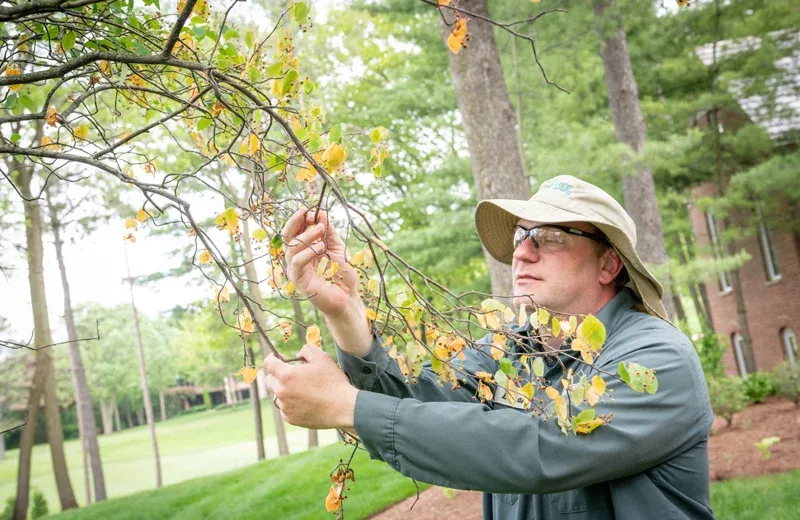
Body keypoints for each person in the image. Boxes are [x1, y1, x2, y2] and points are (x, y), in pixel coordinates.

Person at [264, 175, 715, 520]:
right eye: (521, 237)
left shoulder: (656, 362)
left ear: (609, 263)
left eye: (550, 237)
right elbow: (420, 404)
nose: (522, 253)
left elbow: (535, 450)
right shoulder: (508, 351)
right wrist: (346, 313)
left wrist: (348, 406)